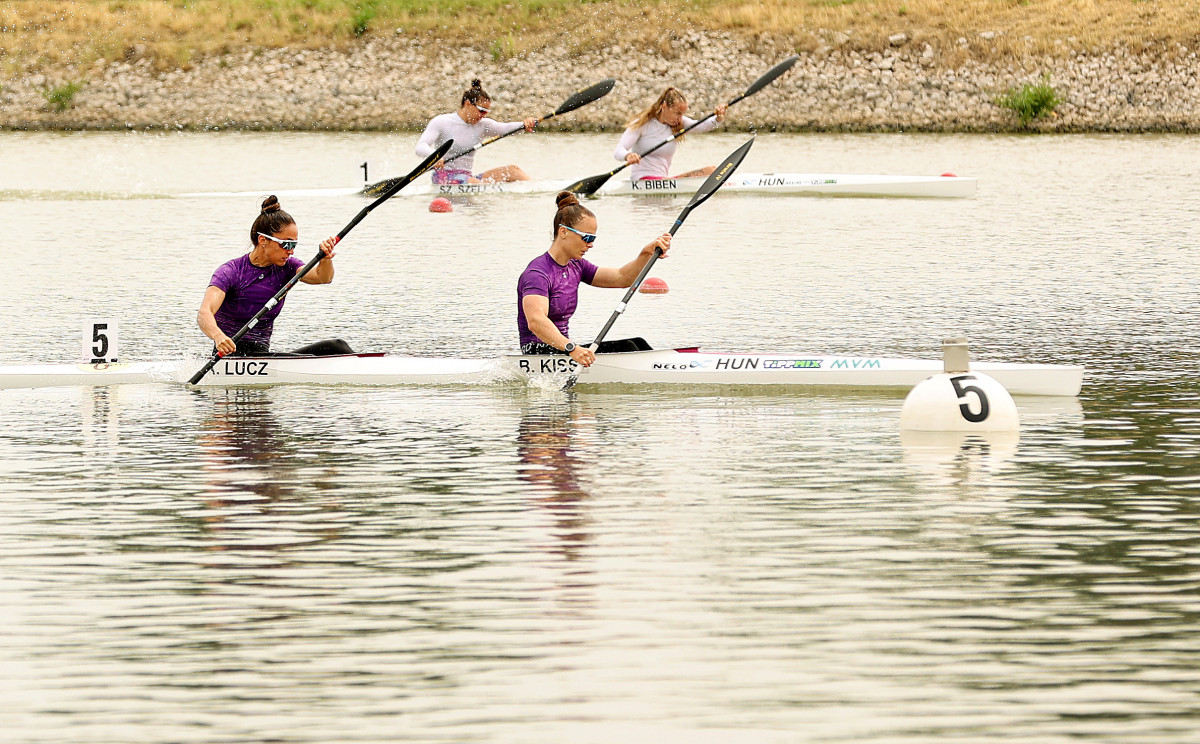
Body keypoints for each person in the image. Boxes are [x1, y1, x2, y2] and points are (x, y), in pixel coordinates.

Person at [517, 191, 671, 368]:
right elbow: (535, 321)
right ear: (564, 232)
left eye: (593, 238)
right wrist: (572, 348)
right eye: (587, 238)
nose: (591, 244)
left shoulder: (577, 265)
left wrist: (645, 254)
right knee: (629, 347)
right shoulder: (538, 273)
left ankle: (666, 367)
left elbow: (621, 278)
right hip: (538, 352)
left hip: (564, 350)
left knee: (637, 343)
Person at [197, 195, 351, 357]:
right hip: (229, 356)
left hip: (262, 355)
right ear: (263, 240)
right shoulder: (231, 271)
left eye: (294, 245)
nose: (291, 251)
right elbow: (204, 313)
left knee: (337, 346)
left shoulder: (288, 267)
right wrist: (218, 336)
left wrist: (325, 259)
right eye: (287, 244)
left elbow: (323, 278)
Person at [415, 79, 538, 185]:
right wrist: (434, 158)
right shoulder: (442, 121)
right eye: (481, 111)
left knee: (513, 171)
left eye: (486, 112)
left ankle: (538, 189)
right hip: (444, 177)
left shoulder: (483, 125)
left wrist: (524, 124)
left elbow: (506, 128)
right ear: (467, 104)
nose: (483, 116)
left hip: (468, 177)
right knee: (476, 184)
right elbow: (421, 146)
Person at [613, 86, 729, 181]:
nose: (679, 118)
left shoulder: (679, 123)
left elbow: (703, 126)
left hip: (662, 181)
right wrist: (628, 156)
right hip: (643, 181)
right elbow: (619, 150)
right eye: (677, 113)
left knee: (713, 170)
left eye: (682, 114)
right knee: (711, 171)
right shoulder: (642, 124)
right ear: (664, 107)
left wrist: (718, 118)